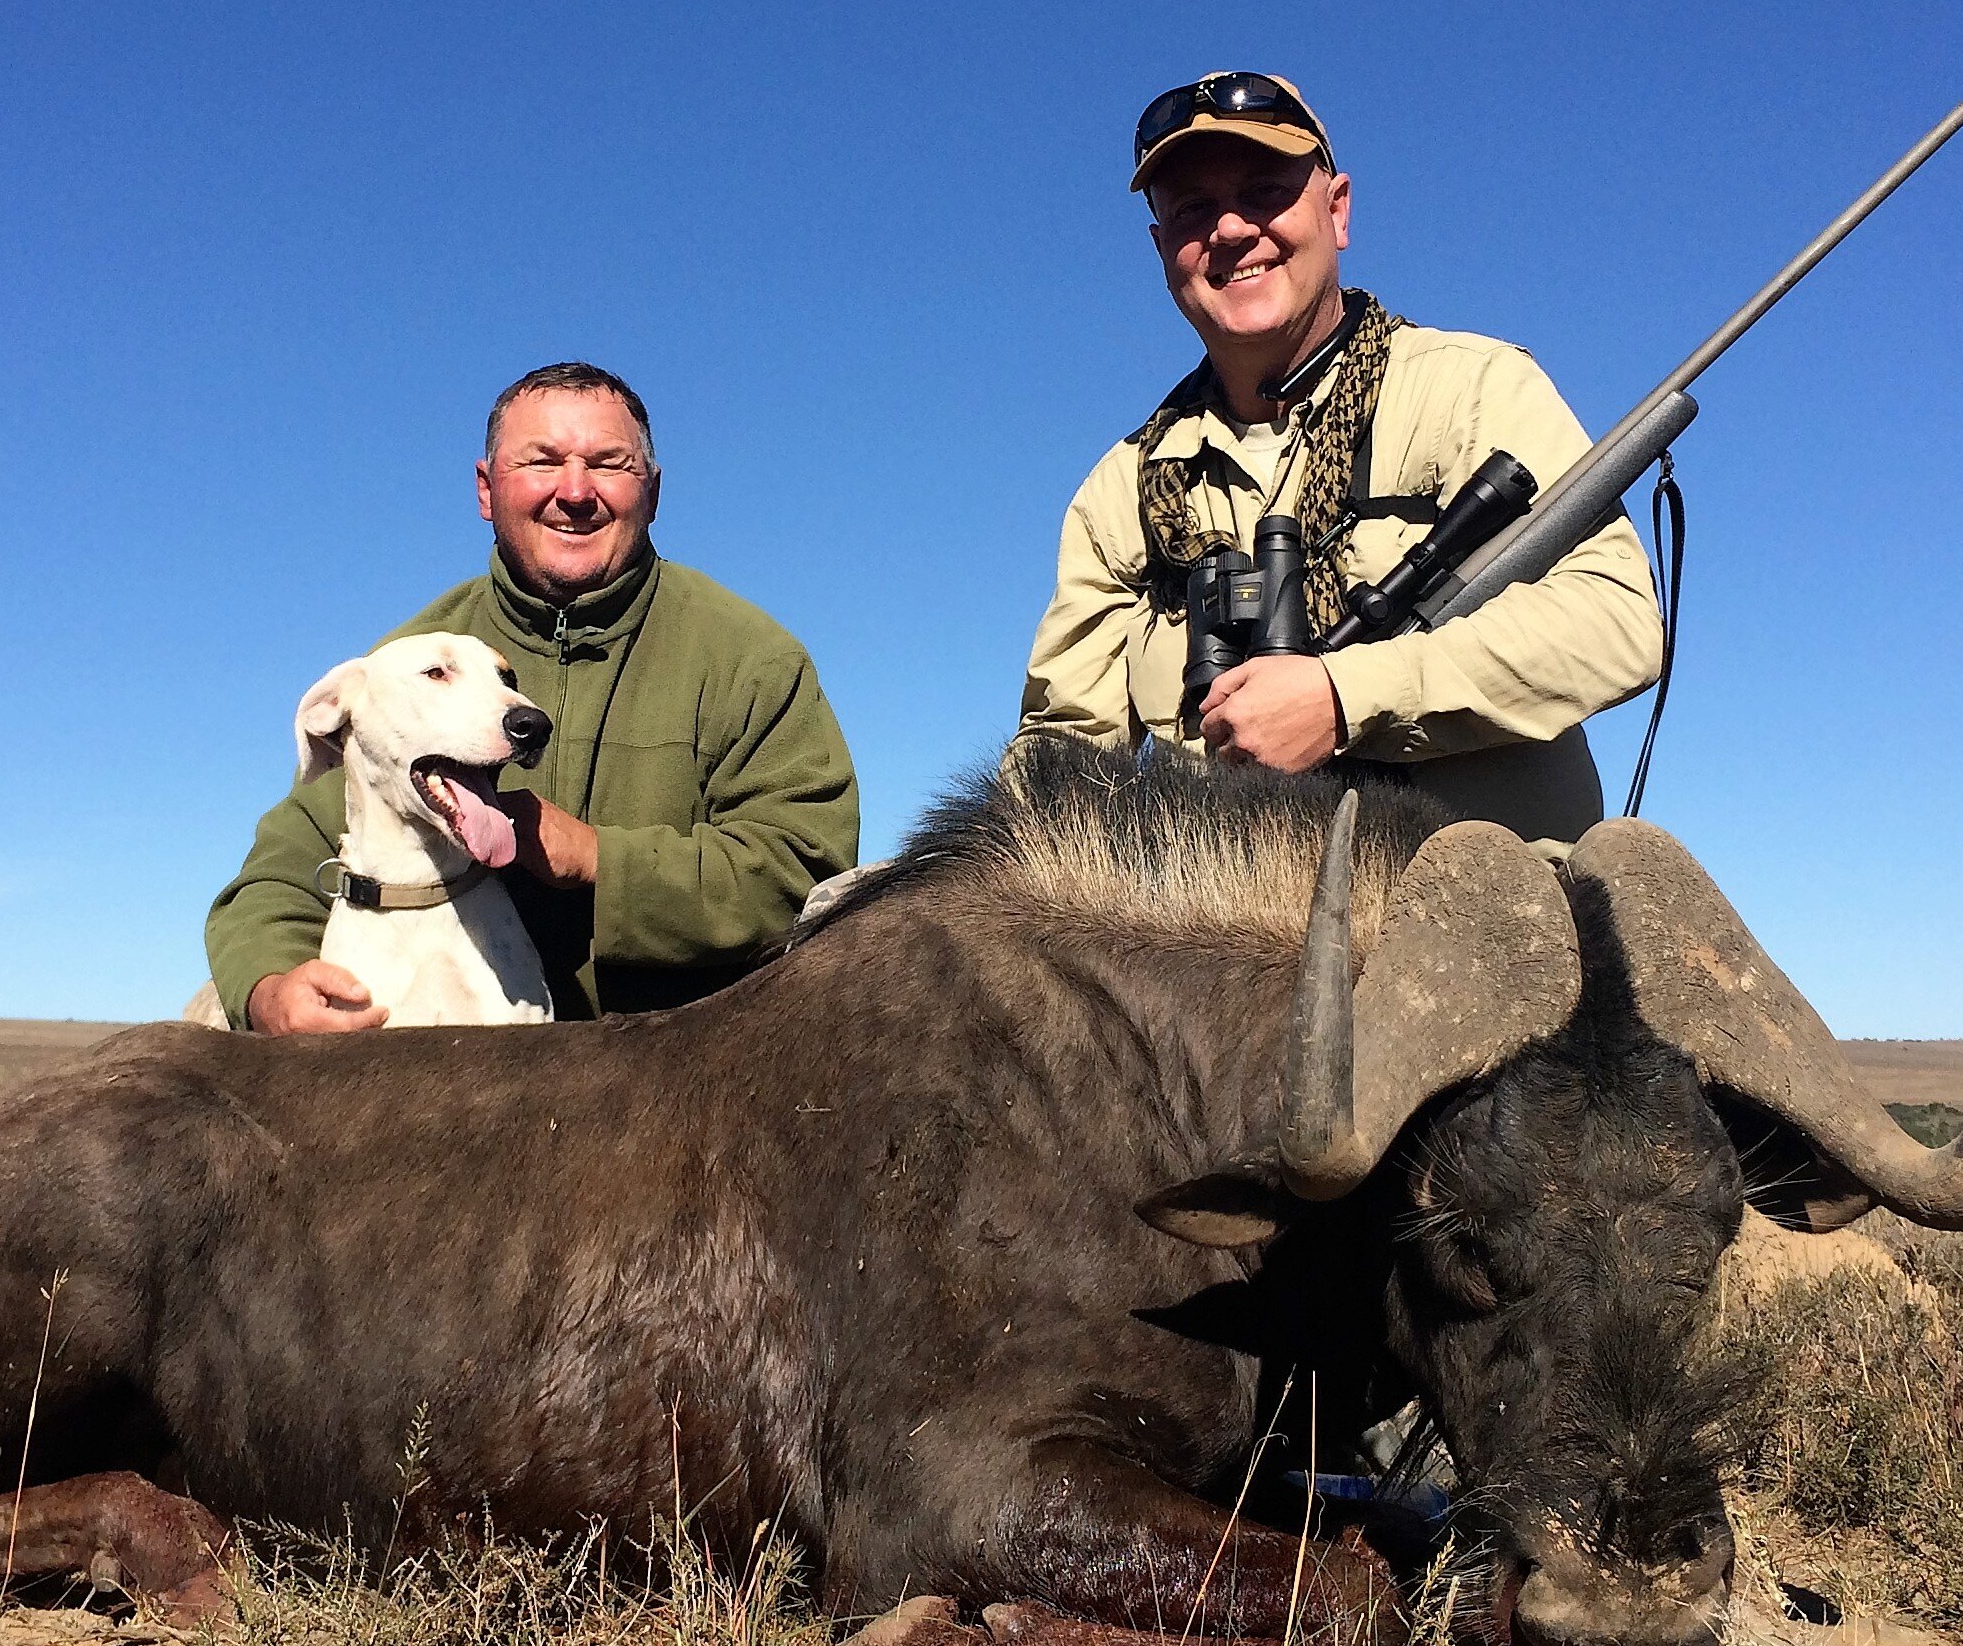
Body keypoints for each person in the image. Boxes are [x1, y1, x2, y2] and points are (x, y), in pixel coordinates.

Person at [1017, 72, 1664, 838]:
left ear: (1338, 208)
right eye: (1193, 210)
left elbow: (1616, 620)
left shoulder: (1473, 388)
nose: (1229, 230)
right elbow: (1063, 751)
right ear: (1163, 249)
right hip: (1217, 938)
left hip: (1485, 922)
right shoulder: (1120, 493)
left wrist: (1343, 696)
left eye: (1264, 191)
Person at [207, 362, 858, 1029]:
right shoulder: (400, 669)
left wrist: (598, 860)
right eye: (541, 462)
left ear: (654, 492)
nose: (575, 492)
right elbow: (277, 879)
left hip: (687, 1076)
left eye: (609, 464)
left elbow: (806, 876)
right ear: (487, 489)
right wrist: (270, 991)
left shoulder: (748, 658)